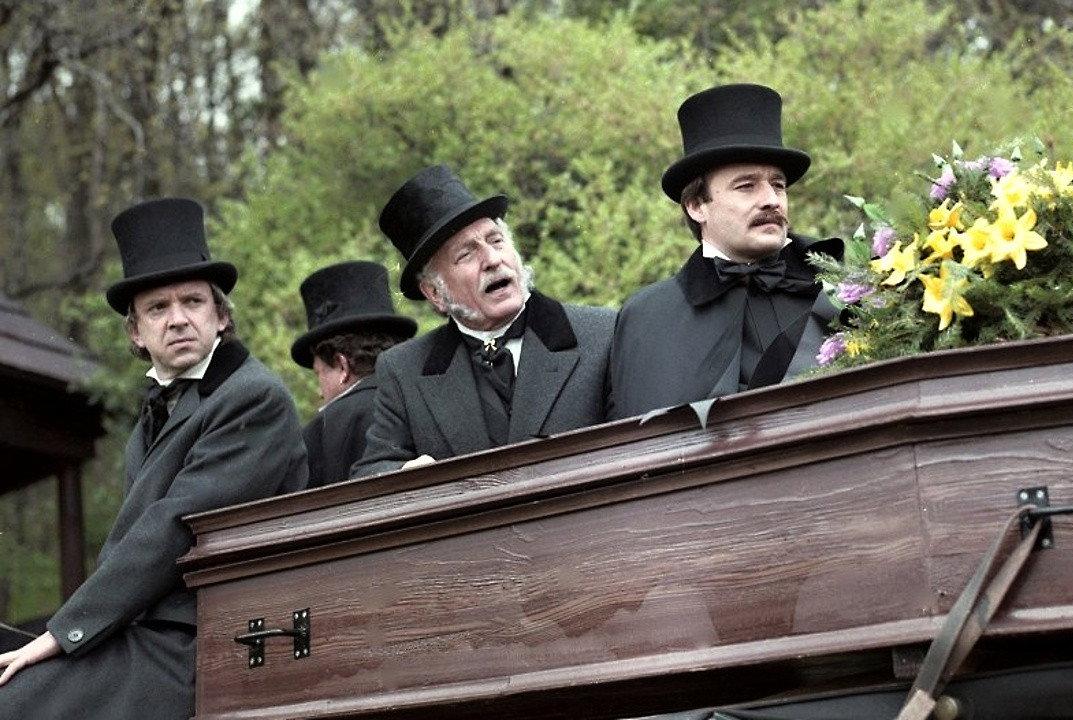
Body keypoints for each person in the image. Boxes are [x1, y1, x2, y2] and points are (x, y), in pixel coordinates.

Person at [0, 197, 308, 719]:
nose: (178, 320)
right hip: (145, 632)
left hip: (210, 640)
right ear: (136, 333)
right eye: (158, 308)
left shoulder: (252, 398)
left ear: (221, 316)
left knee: (13, 703)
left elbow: (173, 527)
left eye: (193, 302)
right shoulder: (159, 409)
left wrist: (63, 632)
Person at [351, 165, 613, 477]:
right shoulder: (403, 370)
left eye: (496, 240)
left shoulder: (603, 333)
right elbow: (370, 472)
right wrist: (408, 476)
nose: (492, 259)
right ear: (434, 293)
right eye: (466, 254)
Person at [608, 83, 844, 421]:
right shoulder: (647, 319)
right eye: (746, 186)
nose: (771, 200)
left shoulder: (844, 284)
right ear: (696, 206)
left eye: (778, 185)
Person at [293, 261, 417, 487]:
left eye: (318, 374)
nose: (319, 392)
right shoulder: (426, 397)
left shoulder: (321, 432)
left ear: (342, 366)